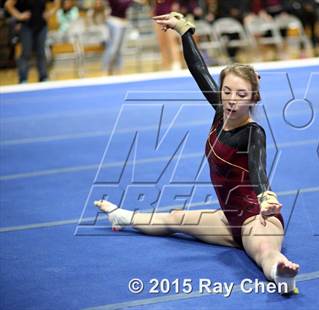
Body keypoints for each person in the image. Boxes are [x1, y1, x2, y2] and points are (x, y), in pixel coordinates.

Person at [95, 12, 300, 294]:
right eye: (226, 91)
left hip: (257, 219)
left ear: (253, 98)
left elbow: (258, 168)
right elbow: (199, 71)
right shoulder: (221, 112)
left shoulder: (253, 133)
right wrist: (184, 31)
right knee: (176, 218)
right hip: (229, 220)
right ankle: (123, 217)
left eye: (241, 95)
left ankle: (282, 274)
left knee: (264, 252)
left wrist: (267, 198)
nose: (231, 100)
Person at [5, 0, 60, 83]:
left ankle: (43, 77)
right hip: (26, 26)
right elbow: (8, 4)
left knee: (41, 53)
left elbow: (57, 2)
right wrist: (19, 16)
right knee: (26, 53)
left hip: (41, 26)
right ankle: (23, 79)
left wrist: (50, 12)